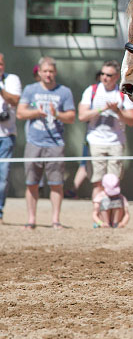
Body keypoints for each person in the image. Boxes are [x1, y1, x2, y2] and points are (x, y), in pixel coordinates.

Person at [16, 57, 76, 229]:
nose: (48, 74)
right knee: (32, 183)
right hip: (34, 142)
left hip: (55, 143)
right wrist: (37, 112)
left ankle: (55, 220)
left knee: (56, 183)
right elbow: (20, 113)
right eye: (45, 71)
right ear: (39, 72)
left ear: (55, 72)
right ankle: (31, 220)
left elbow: (71, 117)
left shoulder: (64, 92)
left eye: (51, 71)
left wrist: (56, 114)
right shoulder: (30, 89)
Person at [78, 60, 133, 204]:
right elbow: (82, 116)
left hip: (116, 143)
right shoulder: (91, 91)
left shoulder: (122, 94)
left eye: (109, 75)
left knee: (113, 183)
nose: (104, 77)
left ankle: (110, 217)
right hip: (95, 142)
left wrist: (117, 111)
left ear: (116, 77)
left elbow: (131, 120)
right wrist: (101, 109)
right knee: (97, 182)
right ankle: (98, 217)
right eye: (102, 74)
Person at [0, 53, 22, 222]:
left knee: (3, 177)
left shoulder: (12, 80)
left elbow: (15, 101)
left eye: (0, 63)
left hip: (6, 136)